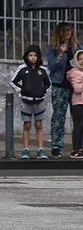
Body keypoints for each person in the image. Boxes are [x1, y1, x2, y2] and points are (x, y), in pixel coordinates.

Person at [12, 45, 51, 159]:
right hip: (26, 101)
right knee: (27, 125)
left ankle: (40, 149)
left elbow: (48, 83)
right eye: (31, 55)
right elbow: (13, 82)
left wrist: (42, 91)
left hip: (39, 101)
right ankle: (26, 149)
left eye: (35, 55)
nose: (33, 57)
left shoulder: (42, 70)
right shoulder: (22, 69)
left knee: (38, 125)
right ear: (27, 56)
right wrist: (21, 90)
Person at [46, 23, 76, 158]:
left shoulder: (77, 48)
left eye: (68, 30)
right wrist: (60, 54)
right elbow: (51, 67)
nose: (66, 32)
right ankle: (56, 146)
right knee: (59, 116)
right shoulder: (53, 49)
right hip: (60, 85)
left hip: (76, 87)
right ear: (59, 32)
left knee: (78, 117)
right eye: (63, 30)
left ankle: (78, 146)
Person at [67, 50, 83, 159]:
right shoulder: (75, 72)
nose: (82, 61)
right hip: (78, 103)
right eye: (80, 59)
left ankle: (80, 148)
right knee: (78, 125)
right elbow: (77, 89)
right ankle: (75, 149)